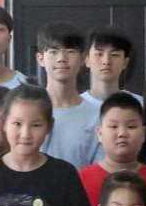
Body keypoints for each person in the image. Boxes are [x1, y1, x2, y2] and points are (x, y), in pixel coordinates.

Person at [36, 21, 101, 168]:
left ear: (83, 59)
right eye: (53, 51)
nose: (61, 58)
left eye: (70, 51)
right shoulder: (26, 112)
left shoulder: (96, 116)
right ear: (40, 59)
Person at [83, 26, 141, 107]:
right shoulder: (72, 106)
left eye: (114, 55)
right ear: (87, 60)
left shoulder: (140, 105)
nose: (106, 61)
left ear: (125, 62)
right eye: (99, 54)